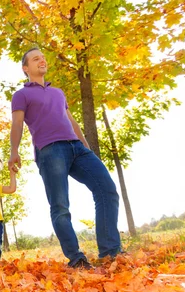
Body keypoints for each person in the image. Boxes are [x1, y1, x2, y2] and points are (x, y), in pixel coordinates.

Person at [8, 47, 122, 269]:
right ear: (25, 68)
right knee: (60, 206)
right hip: (50, 150)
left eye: (42, 57)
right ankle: (76, 258)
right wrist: (14, 151)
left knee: (107, 190)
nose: (41, 60)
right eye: (35, 59)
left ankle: (110, 252)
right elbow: (17, 124)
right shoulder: (21, 95)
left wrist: (87, 148)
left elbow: (71, 121)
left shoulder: (58, 93)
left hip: (77, 148)